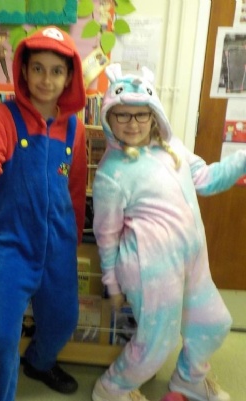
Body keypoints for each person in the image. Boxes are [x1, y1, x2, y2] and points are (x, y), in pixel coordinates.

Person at [91, 63, 244, 401]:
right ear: (109, 118)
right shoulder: (111, 174)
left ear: (154, 114)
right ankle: (112, 389)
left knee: (214, 323)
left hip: (191, 260)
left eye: (141, 114)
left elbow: (206, 179)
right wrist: (112, 283)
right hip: (149, 268)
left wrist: (242, 159)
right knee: (157, 342)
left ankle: (189, 380)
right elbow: (106, 234)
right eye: (122, 115)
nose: (133, 123)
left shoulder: (172, 148)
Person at [0, 26, 87, 401]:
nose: (47, 79)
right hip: (11, 244)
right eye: (38, 69)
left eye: (56, 71)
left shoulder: (74, 128)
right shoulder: (3, 117)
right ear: (24, 72)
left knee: (64, 319)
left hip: (58, 246)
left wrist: (73, 238)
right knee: (1, 337)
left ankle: (39, 362)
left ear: (69, 78)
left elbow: (75, 186)